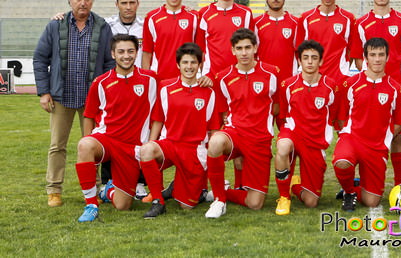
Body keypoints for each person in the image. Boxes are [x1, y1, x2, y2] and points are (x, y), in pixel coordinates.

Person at [33, 0, 115, 207]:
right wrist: (44, 92)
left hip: (91, 100)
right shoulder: (55, 26)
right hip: (61, 97)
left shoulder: (102, 26)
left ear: (93, 1)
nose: (83, 2)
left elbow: (109, 62)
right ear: (69, 0)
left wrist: (105, 92)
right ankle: (54, 189)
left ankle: (95, 188)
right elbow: (40, 58)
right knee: (57, 145)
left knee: (92, 145)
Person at [74, 34, 158, 222]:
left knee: (123, 206)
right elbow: (89, 115)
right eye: (121, 51)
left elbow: (175, 87)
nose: (126, 56)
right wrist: (88, 146)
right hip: (107, 139)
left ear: (137, 53)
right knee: (85, 145)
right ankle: (91, 204)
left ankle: (109, 191)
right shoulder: (101, 82)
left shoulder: (151, 79)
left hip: (131, 148)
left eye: (130, 51)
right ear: (113, 54)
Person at [205, 28, 279, 218]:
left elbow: (277, 107)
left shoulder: (271, 74)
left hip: (259, 140)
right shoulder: (223, 77)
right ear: (233, 51)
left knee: (255, 204)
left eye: (248, 47)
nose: (244, 52)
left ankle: (224, 191)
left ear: (255, 48)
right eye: (239, 48)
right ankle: (219, 201)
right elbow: (223, 111)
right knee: (214, 142)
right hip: (236, 133)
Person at [139, 42, 219, 218]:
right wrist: (152, 143)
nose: (189, 67)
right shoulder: (166, 88)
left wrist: (209, 162)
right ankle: (158, 201)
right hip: (170, 144)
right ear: (178, 64)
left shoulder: (208, 92)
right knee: (146, 151)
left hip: (194, 149)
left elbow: (213, 129)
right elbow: (158, 120)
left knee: (186, 206)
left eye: (193, 62)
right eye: (185, 62)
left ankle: (183, 187)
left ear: (199, 65)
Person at [333, 37, 401, 211]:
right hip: (353, 139)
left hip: (376, 148)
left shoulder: (396, 88)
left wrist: (384, 139)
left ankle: (356, 185)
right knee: (342, 161)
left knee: (372, 202)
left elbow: (399, 123)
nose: (377, 59)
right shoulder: (351, 84)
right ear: (365, 58)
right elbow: (341, 117)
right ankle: (349, 192)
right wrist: (346, 137)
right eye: (372, 54)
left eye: (381, 54)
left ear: (387, 57)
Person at [353, 0, 401, 187]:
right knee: (365, 135)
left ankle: (398, 184)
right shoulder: (361, 24)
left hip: (396, 87)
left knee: (397, 135)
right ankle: (363, 180)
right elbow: (358, 59)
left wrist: (397, 73)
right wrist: (372, 77)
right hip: (369, 88)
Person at [273, 40, 337, 215]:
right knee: (283, 146)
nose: (309, 62)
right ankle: (284, 197)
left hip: (315, 143)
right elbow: (284, 115)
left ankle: (294, 185)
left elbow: (332, 117)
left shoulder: (331, 86)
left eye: (314, 58)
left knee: (311, 202)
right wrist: (286, 136)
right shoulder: (288, 85)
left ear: (321, 61)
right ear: (299, 61)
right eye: (305, 58)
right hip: (294, 134)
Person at [297, 0, 357, 84]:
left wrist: (343, 71)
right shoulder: (305, 18)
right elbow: (299, 51)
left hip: (339, 80)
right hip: (313, 81)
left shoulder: (349, 19)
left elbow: (351, 51)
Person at [196, 0, 254, 76]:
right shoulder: (204, 13)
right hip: (212, 76)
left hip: (239, 75)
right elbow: (201, 48)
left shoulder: (246, 13)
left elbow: (251, 46)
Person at [142, 0, 199, 81]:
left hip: (187, 79)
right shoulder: (152, 17)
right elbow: (147, 52)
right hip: (159, 79)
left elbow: (201, 50)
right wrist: (147, 78)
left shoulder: (194, 17)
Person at [254, 0, 301, 84]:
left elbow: (301, 55)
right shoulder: (256, 23)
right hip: (263, 81)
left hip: (289, 81)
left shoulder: (297, 23)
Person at [105, 0, 145, 67]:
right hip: (115, 76)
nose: (128, 7)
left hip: (139, 76)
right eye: (124, 3)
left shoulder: (146, 26)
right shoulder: (107, 25)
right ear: (116, 4)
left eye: (132, 3)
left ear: (138, 4)